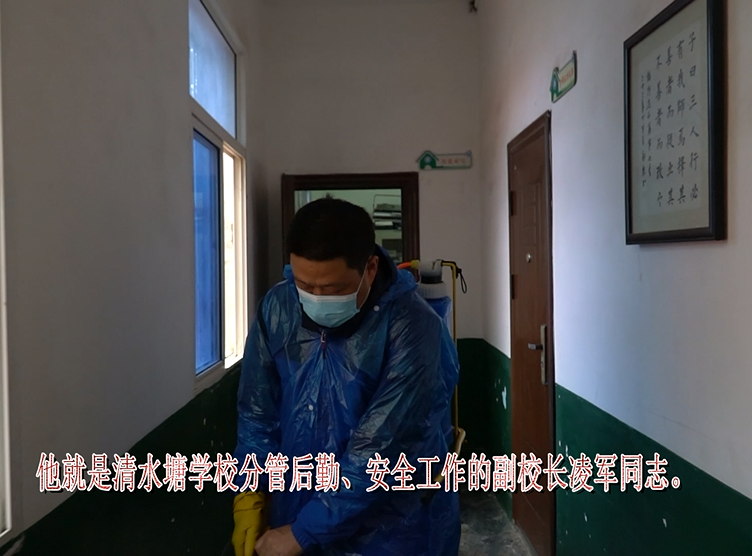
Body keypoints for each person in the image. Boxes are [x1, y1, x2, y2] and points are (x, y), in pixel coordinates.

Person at [231, 197, 460, 556]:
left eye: (333, 289)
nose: (315, 298)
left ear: (370, 268)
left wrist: (303, 532)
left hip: (390, 527)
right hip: (296, 507)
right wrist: (250, 489)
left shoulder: (412, 327)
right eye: (304, 285)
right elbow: (258, 412)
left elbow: (381, 448)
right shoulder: (278, 307)